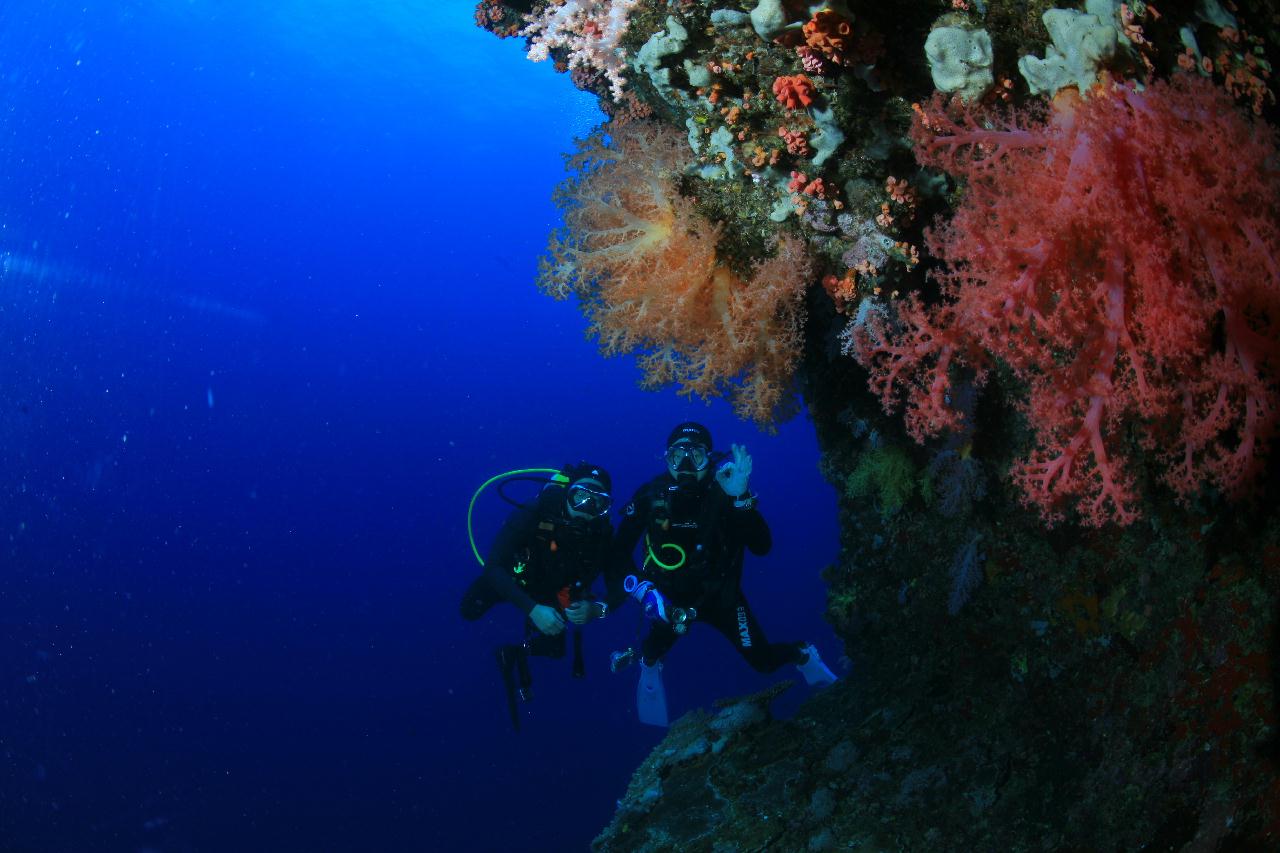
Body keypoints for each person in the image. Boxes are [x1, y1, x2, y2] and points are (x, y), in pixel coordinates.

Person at [610, 422, 836, 726]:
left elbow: (762, 547)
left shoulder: (725, 488)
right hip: (668, 602)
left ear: (709, 458)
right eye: (678, 456)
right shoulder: (650, 495)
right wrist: (642, 591)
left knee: (764, 661)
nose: (686, 465)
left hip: (723, 599)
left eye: (696, 455)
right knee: (649, 651)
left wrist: (741, 498)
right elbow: (618, 553)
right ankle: (650, 668)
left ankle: (803, 654)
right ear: (666, 458)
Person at [460, 461, 615, 731]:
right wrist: (531, 608)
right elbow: (493, 566)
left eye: (597, 502)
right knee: (469, 609)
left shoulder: (601, 534)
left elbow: (617, 582)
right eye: (580, 496)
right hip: (513, 578)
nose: (586, 508)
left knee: (555, 649)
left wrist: (595, 608)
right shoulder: (535, 511)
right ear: (567, 493)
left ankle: (516, 653)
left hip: (552, 591)